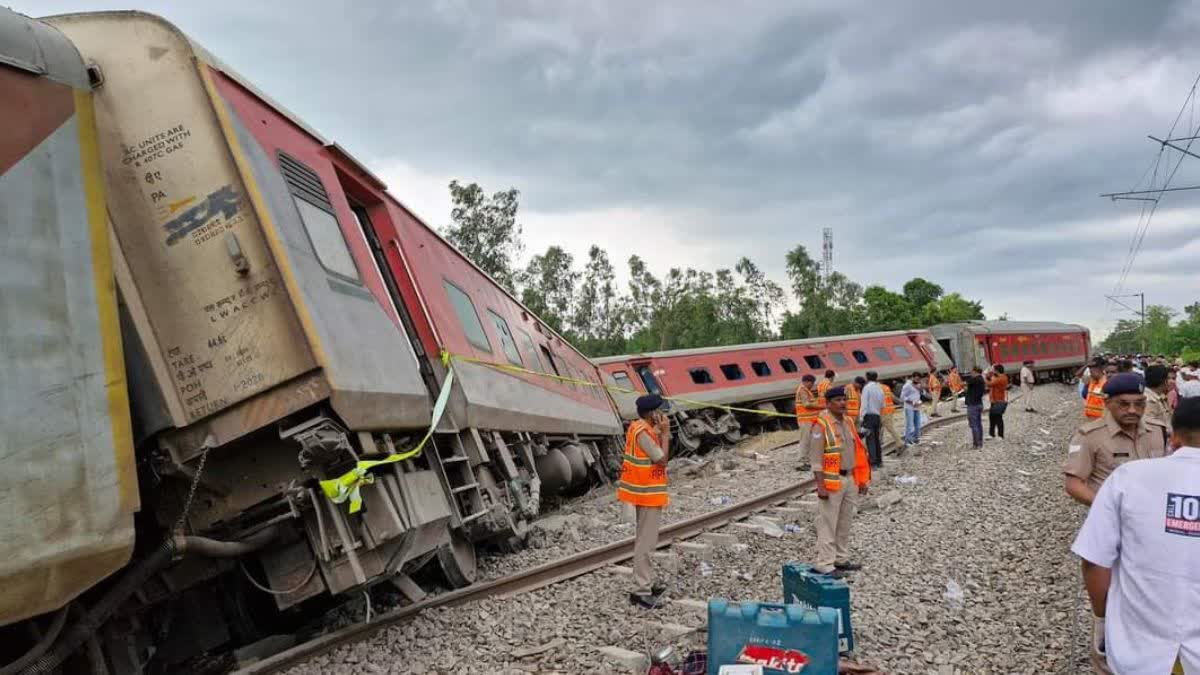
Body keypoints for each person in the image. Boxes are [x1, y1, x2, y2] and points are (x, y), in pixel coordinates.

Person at [1070, 397, 1200, 675]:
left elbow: (1095, 562)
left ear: (1174, 438)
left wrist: (1104, 619)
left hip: (1141, 651)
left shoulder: (1127, 478)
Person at [1063, 373, 1168, 507]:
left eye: (1139, 404)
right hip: (1113, 518)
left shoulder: (1158, 430)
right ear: (1107, 403)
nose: (1132, 410)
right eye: (1123, 404)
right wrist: (1107, 507)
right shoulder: (1089, 436)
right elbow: (1073, 484)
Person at [808, 386, 871, 578]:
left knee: (845, 522)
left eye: (844, 399)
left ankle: (840, 559)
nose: (843, 403)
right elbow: (816, 459)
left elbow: (857, 452)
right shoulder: (821, 424)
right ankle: (825, 564)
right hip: (831, 481)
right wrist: (820, 485)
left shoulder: (848, 422)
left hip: (850, 478)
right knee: (828, 523)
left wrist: (861, 480)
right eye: (837, 400)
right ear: (827, 403)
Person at [617, 394, 671, 609]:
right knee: (646, 544)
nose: (664, 414)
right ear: (652, 414)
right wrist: (666, 435)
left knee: (646, 541)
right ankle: (641, 591)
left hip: (643, 491)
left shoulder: (640, 427)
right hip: (646, 494)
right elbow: (662, 460)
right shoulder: (644, 432)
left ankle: (646, 583)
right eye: (660, 410)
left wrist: (658, 431)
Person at [859, 371, 885, 468]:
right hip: (877, 416)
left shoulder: (867, 388)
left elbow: (864, 404)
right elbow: (883, 404)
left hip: (868, 416)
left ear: (867, 378)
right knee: (877, 439)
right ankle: (879, 461)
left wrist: (861, 418)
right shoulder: (880, 388)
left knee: (870, 440)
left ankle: (873, 463)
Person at [1143, 365, 1173, 441]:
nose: (1172, 381)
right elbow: (1150, 428)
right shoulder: (1148, 400)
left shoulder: (1160, 397)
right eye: (1169, 378)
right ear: (1163, 381)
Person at [964, 366, 986, 448]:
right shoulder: (981, 379)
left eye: (972, 372)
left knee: (974, 424)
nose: (971, 373)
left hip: (973, 405)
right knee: (978, 424)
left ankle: (976, 444)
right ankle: (980, 442)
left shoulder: (976, 379)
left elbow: (967, 382)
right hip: (979, 403)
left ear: (975, 371)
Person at [878, 379, 904, 450]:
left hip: (884, 411)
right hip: (889, 410)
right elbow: (893, 397)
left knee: (890, 427)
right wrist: (901, 402)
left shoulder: (876, 389)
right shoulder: (886, 387)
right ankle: (880, 441)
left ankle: (899, 442)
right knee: (881, 426)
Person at [984, 364, 1008, 440]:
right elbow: (991, 380)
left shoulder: (1002, 377)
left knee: (998, 418)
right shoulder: (997, 376)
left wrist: (984, 376)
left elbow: (989, 384)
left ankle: (1000, 435)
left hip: (999, 400)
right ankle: (992, 434)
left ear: (997, 370)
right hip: (994, 400)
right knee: (992, 418)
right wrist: (989, 376)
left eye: (993, 369)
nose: (992, 370)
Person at [901, 372, 922, 445]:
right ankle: (908, 440)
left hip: (917, 407)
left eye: (919, 379)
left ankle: (916, 438)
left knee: (918, 424)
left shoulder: (918, 385)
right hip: (909, 407)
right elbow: (902, 397)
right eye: (916, 378)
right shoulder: (907, 386)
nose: (917, 380)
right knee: (910, 424)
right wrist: (912, 402)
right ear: (912, 377)